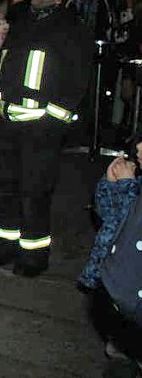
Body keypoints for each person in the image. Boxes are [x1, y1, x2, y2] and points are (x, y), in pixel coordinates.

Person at [0, 0, 93, 277]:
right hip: (6, 123)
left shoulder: (72, 27)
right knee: (4, 187)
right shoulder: (20, 21)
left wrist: (53, 120)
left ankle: (34, 255)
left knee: (34, 192)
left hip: (41, 128)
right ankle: (7, 245)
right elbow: (3, 66)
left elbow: (77, 81)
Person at [78, 141, 142, 375]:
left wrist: (125, 186)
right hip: (123, 307)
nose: (138, 146)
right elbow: (111, 218)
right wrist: (111, 185)